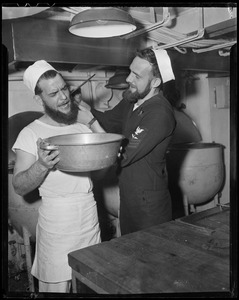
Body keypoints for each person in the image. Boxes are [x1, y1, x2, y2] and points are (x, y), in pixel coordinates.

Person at [11, 60, 104, 293]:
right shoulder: (30, 133)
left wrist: (93, 123)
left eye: (64, 88)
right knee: (55, 288)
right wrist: (42, 164)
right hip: (57, 222)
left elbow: (105, 165)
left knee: (89, 285)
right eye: (54, 93)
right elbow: (19, 186)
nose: (64, 97)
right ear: (39, 100)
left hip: (89, 214)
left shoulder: (81, 126)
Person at [76, 48, 177, 235]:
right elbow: (109, 120)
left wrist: (90, 122)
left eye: (136, 76)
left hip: (149, 206)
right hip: (129, 196)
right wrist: (84, 110)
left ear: (155, 82)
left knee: (149, 258)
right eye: (130, 71)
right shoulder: (133, 99)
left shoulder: (159, 114)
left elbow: (122, 156)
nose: (128, 79)